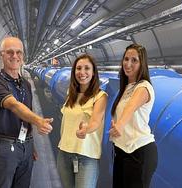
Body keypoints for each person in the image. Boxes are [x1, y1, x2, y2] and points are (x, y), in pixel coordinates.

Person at [0, 36, 53, 188]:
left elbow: (26, 115)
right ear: (1, 55)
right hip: (5, 146)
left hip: (25, 146)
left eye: (18, 52)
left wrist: (31, 143)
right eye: (9, 52)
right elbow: (14, 106)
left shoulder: (26, 84)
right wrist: (39, 121)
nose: (15, 56)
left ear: (23, 56)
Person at [109, 44, 158, 188]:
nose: (128, 64)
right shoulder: (126, 87)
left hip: (139, 152)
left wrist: (120, 124)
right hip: (122, 151)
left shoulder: (144, 87)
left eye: (134, 60)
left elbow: (131, 108)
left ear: (142, 63)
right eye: (126, 59)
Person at [57, 54, 107, 188]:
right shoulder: (71, 94)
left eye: (87, 68)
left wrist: (86, 129)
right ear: (74, 72)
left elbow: (96, 121)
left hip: (86, 156)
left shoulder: (100, 96)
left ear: (93, 72)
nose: (82, 72)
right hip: (64, 153)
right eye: (78, 68)